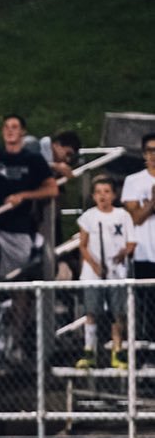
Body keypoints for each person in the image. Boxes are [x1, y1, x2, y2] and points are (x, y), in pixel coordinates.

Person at [0, 91, 59, 281]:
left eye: (14, 127)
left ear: (23, 132)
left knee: (15, 277)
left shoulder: (33, 160)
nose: (9, 130)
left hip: (18, 227)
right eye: (6, 127)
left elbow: (52, 188)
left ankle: (8, 305)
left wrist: (23, 195)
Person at [76, 177, 137, 369]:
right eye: (99, 192)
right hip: (93, 274)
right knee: (91, 311)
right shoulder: (89, 217)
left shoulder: (122, 215)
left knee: (117, 312)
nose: (103, 196)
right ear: (94, 196)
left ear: (114, 195)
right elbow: (83, 245)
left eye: (107, 191)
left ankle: (117, 351)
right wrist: (94, 265)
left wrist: (123, 253)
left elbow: (131, 242)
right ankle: (89, 350)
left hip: (116, 273)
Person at [122, 133, 155, 285]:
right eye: (149, 150)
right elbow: (135, 218)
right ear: (144, 154)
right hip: (144, 251)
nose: (153, 155)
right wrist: (152, 202)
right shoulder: (133, 181)